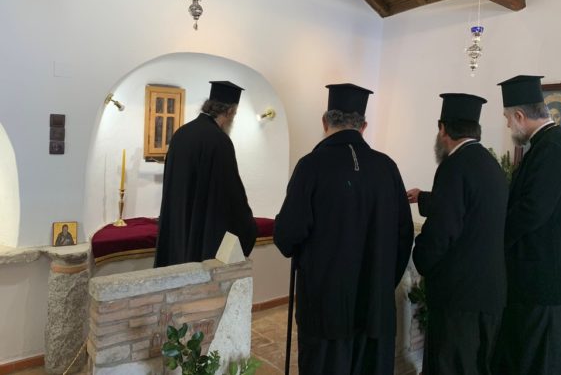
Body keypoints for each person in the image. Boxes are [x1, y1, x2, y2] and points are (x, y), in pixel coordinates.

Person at [274, 83, 414, 375]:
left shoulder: (311, 165)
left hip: (326, 308)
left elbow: (287, 236)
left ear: (325, 122)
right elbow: (404, 235)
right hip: (374, 307)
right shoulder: (387, 167)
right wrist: (381, 281)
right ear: (364, 126)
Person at [494, 75, 561, 375]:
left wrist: (493, 239)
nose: (508, 126)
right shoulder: (554, 144)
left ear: (519, 116)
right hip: (551, 281)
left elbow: (530, 212)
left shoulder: (551, 148)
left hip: (547, 285)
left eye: (508, 119)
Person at [407, 93, 508, 375]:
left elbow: (443, 230)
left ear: (443, 129)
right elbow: (472, 209)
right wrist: (424, 198)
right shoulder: (490, 165)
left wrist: (420, 256)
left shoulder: (453, 166)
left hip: (459, 299)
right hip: (489, 294)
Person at [154, 81, 257, 267]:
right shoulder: (219, 141)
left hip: (177, 231)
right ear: (229, 111)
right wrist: (248, 225)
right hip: (201, 240)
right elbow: (230, 194)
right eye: (234, 114)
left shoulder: (181, 134)